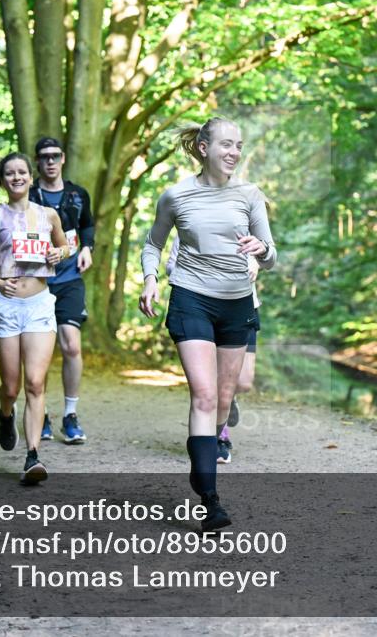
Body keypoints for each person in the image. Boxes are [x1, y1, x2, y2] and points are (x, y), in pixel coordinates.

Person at [140, 117, 276, 532]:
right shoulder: (176, 196)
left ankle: (204, 454)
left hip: (237, 302)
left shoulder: (250, 195)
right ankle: (211, 500)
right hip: (191, 297)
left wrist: (261, 249)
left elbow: (272, 256)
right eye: (225, 144)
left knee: (223, 398)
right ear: (204, 148)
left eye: (238, 145)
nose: (234, 152)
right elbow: (153, 243)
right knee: (203, 394)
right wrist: (150, 280)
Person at [0, 152, 71, 485]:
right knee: (12, 387)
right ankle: (6, 413)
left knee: (35, 383)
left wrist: (59, 252)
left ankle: (32, 456)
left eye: (21, 172)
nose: (16, 177)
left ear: (31, 177)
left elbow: (65, 247)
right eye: (10, 173)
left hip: (39, 305)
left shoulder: (48, 215)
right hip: (5, 305)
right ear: (2, 180)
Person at [165, 238, 262, 464]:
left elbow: (264, 254)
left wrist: (255, 264)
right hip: (202, 308)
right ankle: (219, 438)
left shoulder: (246, 226)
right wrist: (202, 271)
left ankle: (228, 399)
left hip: (243, 306)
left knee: (243, 382)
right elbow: (171, 266)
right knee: (214, 387)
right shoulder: (191, 225)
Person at [28, 137, 94, 444]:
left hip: (69, 280)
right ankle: (39, 413)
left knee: (71, 346)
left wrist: (88, 248)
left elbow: (87, 226)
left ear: (63, 158)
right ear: (37, 162)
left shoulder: (78, 194)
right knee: (37, 351)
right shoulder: (29, 195)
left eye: (55, 155)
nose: (50, 161)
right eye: (44, 157)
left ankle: (70, 415)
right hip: (37, 282)